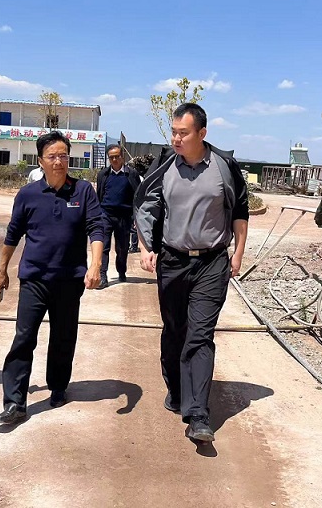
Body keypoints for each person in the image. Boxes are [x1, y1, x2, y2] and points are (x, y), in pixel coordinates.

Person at [134, 103, 248, 443]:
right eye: (174, 132)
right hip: (172, 260)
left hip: (212, 263)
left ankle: (198, 414)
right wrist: (144, 245)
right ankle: (176, 388)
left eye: (183, 133)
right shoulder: (165, 165)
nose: (176, 139)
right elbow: (146, 205)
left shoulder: (224, 166)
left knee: (200, 335)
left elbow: (240, 211)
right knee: (174, 331)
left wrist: (238, 253)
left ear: (202, 133)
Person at [0, 131, 104, 426]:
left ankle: (58, 386)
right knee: (24, 337)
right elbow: (13, 234)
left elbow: (96, 227)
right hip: (35, 278)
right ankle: (15, 402)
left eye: (63, 156)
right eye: (52, 156)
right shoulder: (28, 194)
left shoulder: (83, 191)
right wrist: (2, 269)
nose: (59, 162)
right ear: (41, 161)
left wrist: (95, 265)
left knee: (63, 337)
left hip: (69, 279)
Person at [95, 144, 142, 288]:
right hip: (106, 215)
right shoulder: (103, 174)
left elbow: (138, 196)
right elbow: (99, 194)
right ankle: (103, 276)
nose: (114, 160)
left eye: (117, 156)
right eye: (111, 157)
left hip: (124, 217)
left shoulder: (131, 174)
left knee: (122, 248)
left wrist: (136, 217)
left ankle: (121, 271)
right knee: (103, 246)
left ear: (123, 157)